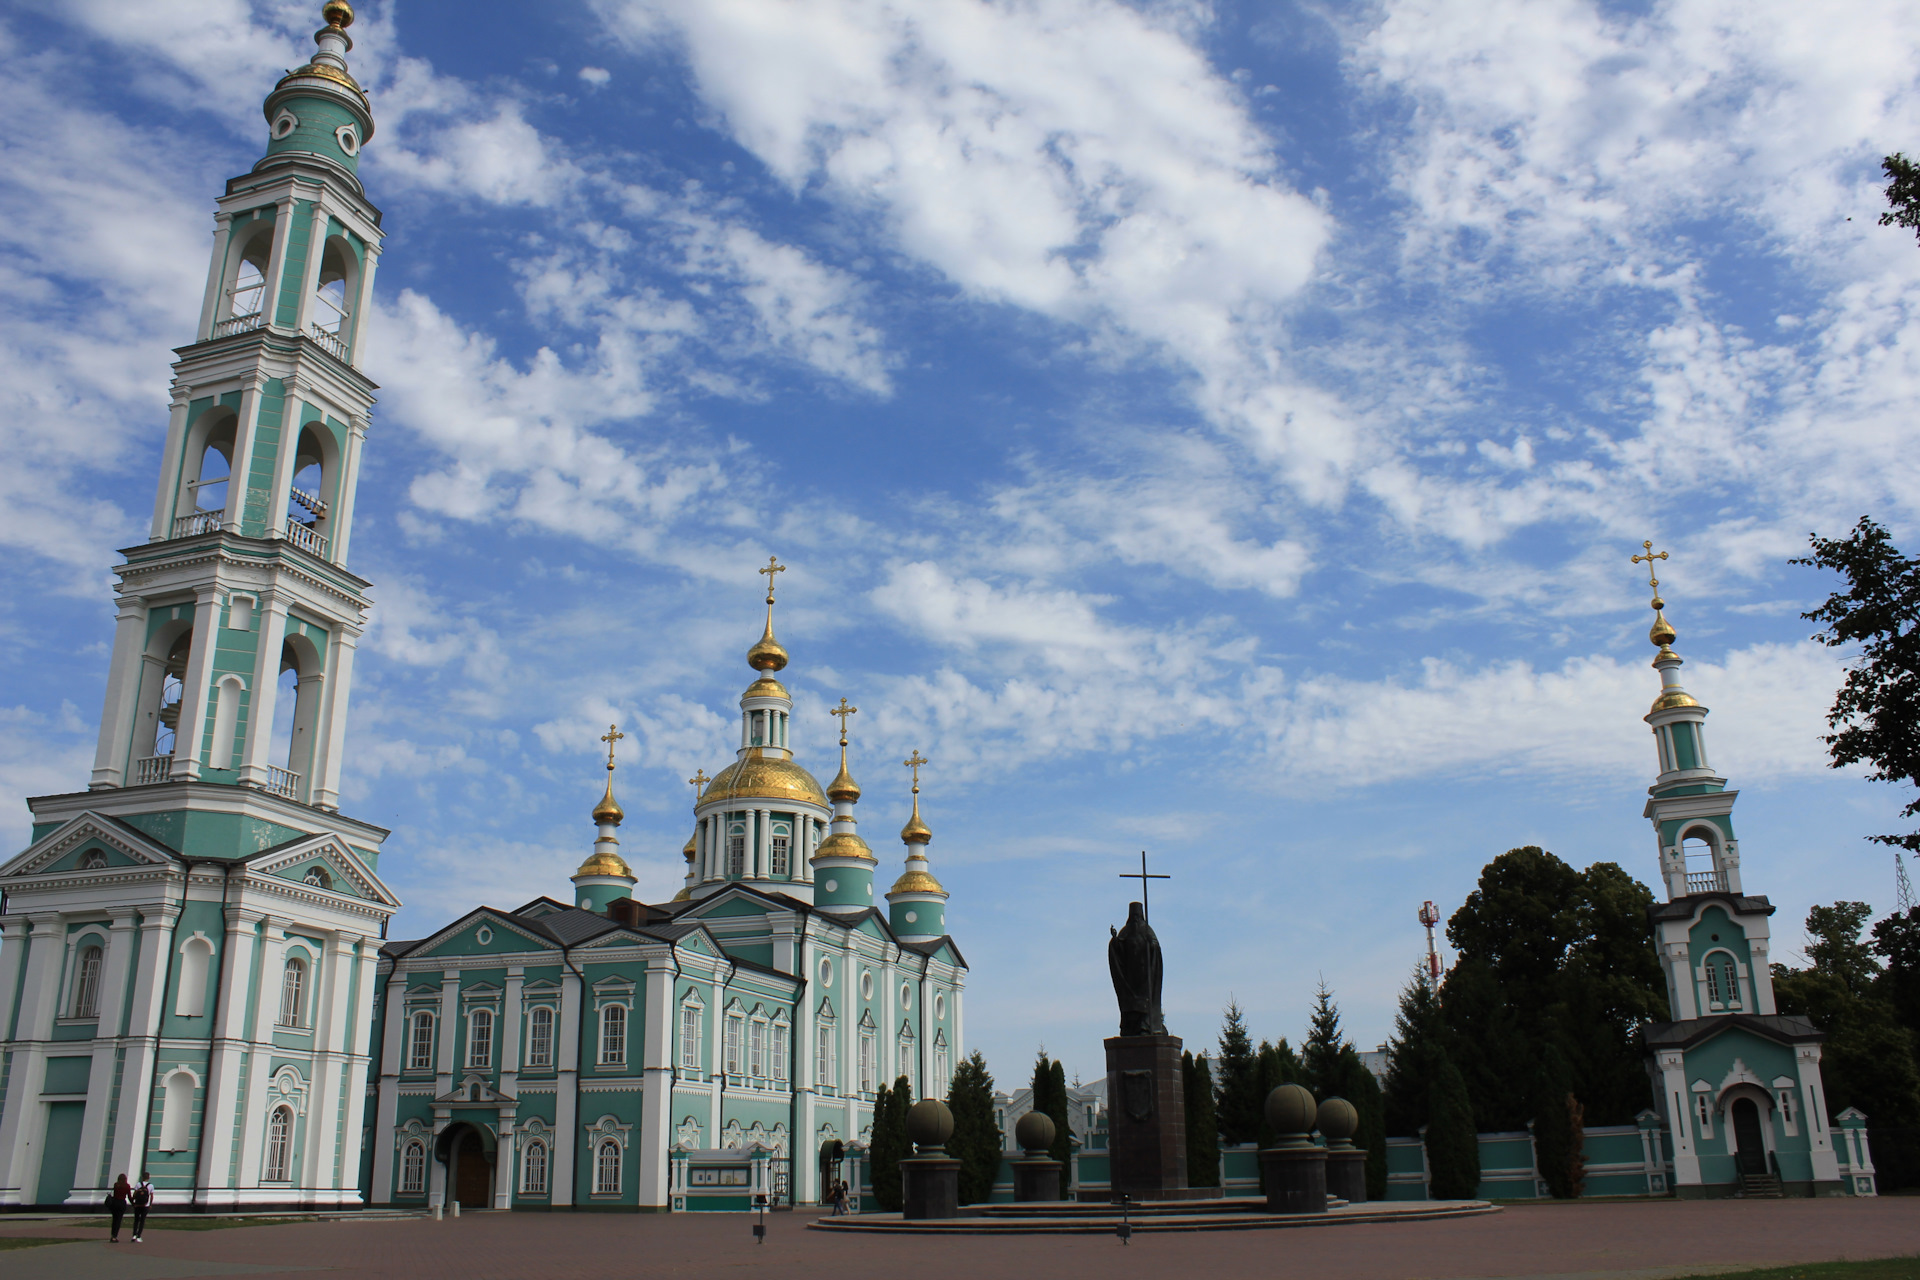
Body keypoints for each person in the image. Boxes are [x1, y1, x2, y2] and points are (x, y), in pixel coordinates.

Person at [105, 1174, 130, 1242]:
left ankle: (112, 1235)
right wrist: (133, 1203)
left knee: (114, 1220)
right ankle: (115, 1236)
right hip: (122, 1203)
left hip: (115, 1203)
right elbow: (129, 1196)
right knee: (118, 1220)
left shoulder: (116, 1185)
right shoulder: (127, 1186)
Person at [131, 1172, 154, 1242]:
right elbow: (151, 1196)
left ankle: (134, 1235)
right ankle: (139, 1236)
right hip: (145, 1205)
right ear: (148, 1177)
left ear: (142, 1177)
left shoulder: (138, 1184)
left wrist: (133, 1202)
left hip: (137, 1205)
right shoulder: (151, 1186)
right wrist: (150, 1204)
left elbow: (135, 1194)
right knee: (142, 1220)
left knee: (136, 1220)